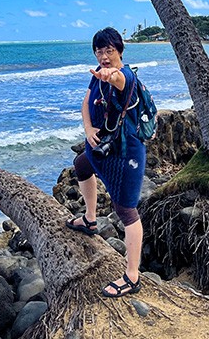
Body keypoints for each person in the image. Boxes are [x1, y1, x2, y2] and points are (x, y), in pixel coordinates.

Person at [66, 27, 145, 298]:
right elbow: (86, 102)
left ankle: (132, 276)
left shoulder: (124, 77)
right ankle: (89, 220)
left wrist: (111, 76)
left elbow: (119, 80)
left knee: (126, 211)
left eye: (109, 50)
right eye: (99, 51)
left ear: (120, 51)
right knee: (81, 165)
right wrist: (88, 130)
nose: (104, 56)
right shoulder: (97, 76)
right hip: (101, 146)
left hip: (125, 153)